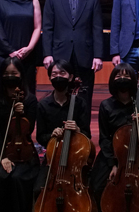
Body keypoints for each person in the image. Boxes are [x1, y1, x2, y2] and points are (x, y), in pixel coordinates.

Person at [42, 0, 103, 123]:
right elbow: (47, 28)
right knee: (60, 96)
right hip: (60, 55)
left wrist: (98, 55)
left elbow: (97, 29)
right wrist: (47, 53)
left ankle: (84, 134)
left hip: (85, 56)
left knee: (85, 97)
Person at [89, 63, 139, 209]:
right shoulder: (106, 105)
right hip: (113, 153)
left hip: (138, 155)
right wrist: (114, 164)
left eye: (126, 76)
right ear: (112, 80)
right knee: (98, 186)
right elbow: (104, 137)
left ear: (133, 79)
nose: (122, 78)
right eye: (118, 76)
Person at [0, 57, 39, 212]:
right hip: (1, 147)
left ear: (21, 75)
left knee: (18, 177)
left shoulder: (30, 100)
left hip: (23, 148)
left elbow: (28, 130)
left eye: (14, 73)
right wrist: (4, 156)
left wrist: (22, 115)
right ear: (1, 76)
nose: (10, 76)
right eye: (6, 73)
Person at [34, 60, 93, 198]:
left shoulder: (80, 103)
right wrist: (51, 135)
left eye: (62, 73)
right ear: (49, 78)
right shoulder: (43, 105)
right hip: (53, 158)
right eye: (54, 74)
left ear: (71, 77)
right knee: (38, 190)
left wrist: (78, 130)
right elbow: (40, 137)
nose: (58, 76)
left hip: (75, 158)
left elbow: (87, 136)